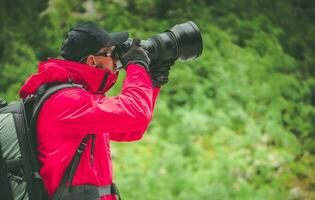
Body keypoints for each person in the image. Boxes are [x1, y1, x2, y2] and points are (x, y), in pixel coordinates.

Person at [19, 22, 172, 200]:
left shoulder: (78, 99)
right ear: (92, 61)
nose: (116, 60)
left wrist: (151, 82)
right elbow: (136, 115)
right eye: (110, 53)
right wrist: (136, 66)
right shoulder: (67, 101)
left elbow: (131, 129)